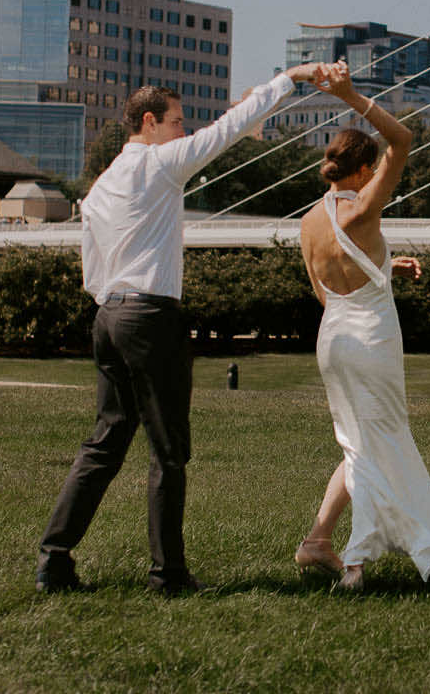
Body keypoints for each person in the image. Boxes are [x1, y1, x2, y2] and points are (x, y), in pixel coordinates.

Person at [36, 63, 328, 595]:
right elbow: (229, 130)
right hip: (149, 317)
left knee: (105, 442)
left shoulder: (101, 187)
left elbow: (91, 263)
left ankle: (54, 558)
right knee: (168, 451)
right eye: (177, 121)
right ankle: (167, 574)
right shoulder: (159, 165)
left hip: (108, 316)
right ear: (149, 122)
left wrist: (111, 304)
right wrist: (292, 77)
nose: (185, 131)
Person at [294, 62, 430, 592]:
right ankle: (354, 565)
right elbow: (403, 141)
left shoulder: (310, 221)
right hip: (371, 343)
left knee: (359, 446)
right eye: (374, 169)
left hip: (332, 339)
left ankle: (318, 540)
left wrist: (384, 269)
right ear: (361, 171)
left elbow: (330, 289)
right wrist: (353, 95)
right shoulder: (362, 209)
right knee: (378, 445)